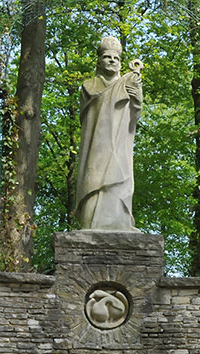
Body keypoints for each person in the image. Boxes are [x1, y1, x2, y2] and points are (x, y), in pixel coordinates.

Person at [75, 36, 143, 231]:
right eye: (107, 57)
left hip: (121, 142)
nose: (112, 60)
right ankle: (91, 220)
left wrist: (136, 90)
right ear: (99, 61)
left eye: (116, 58)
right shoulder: (89, 86)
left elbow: (135, 112)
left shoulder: (128, 82)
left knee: (121, 177)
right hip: (97, 143)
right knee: (94, 177)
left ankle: (120, 222)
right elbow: (88, 116)